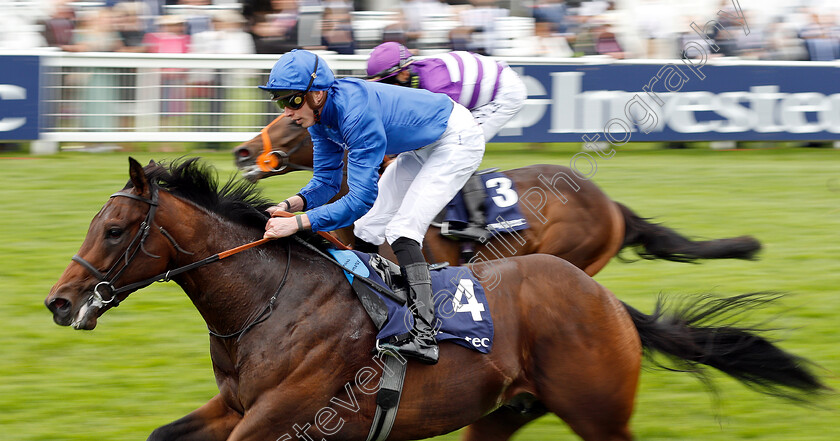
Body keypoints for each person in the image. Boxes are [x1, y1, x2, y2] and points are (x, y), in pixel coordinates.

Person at [261, 49, 485, 365]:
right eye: (280, 101)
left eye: (292, 100)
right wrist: (289, 204)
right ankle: (370, 306)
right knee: (368, 228)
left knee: (402, 231)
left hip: (455, 140)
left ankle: (424, 334)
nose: (286, 111)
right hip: (420, 145)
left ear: (318, 93)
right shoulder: (320, 118)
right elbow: (326, 182)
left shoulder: (355, 114)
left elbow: (360, 199)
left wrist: (299, 223)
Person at [366, 42, 527, 241]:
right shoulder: (413, 79)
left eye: (386, 83)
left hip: (504, 93)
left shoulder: (437, 86)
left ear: (404, 74)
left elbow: (434, 134)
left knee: (464, 147)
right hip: (474, 83)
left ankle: (477, 220)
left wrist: (391, 155)